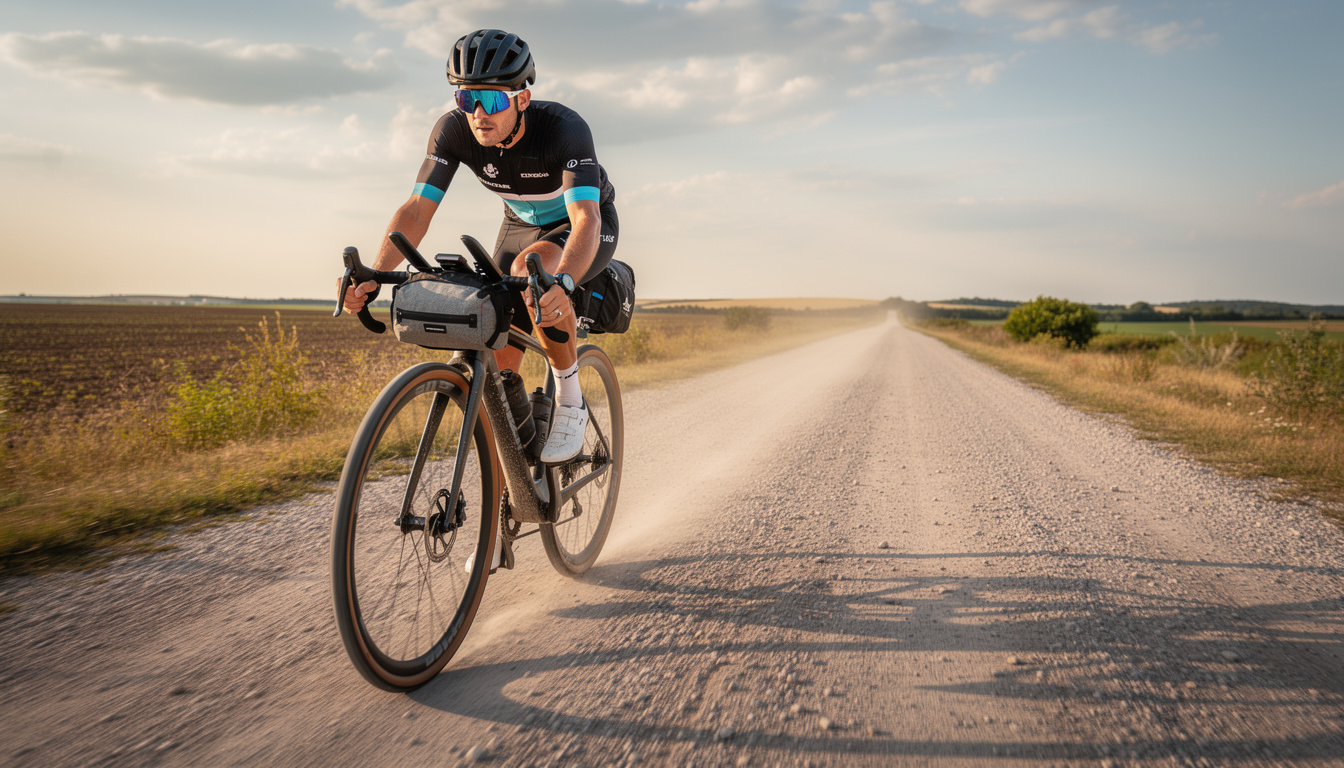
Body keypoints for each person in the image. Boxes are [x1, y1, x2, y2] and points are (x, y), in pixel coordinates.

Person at [343, 28, 619, 465]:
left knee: (535, 275)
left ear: (522, 100)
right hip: (520, 222)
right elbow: (417, 210)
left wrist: (563, 281)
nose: (477, 114)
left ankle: (570, 399)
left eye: (490, 101)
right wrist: (375, 273)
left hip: (584, 223)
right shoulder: (452, 131)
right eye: (466, 99)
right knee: (496, 353)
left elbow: (586, 217)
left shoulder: (565, 130)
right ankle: (521, 466)